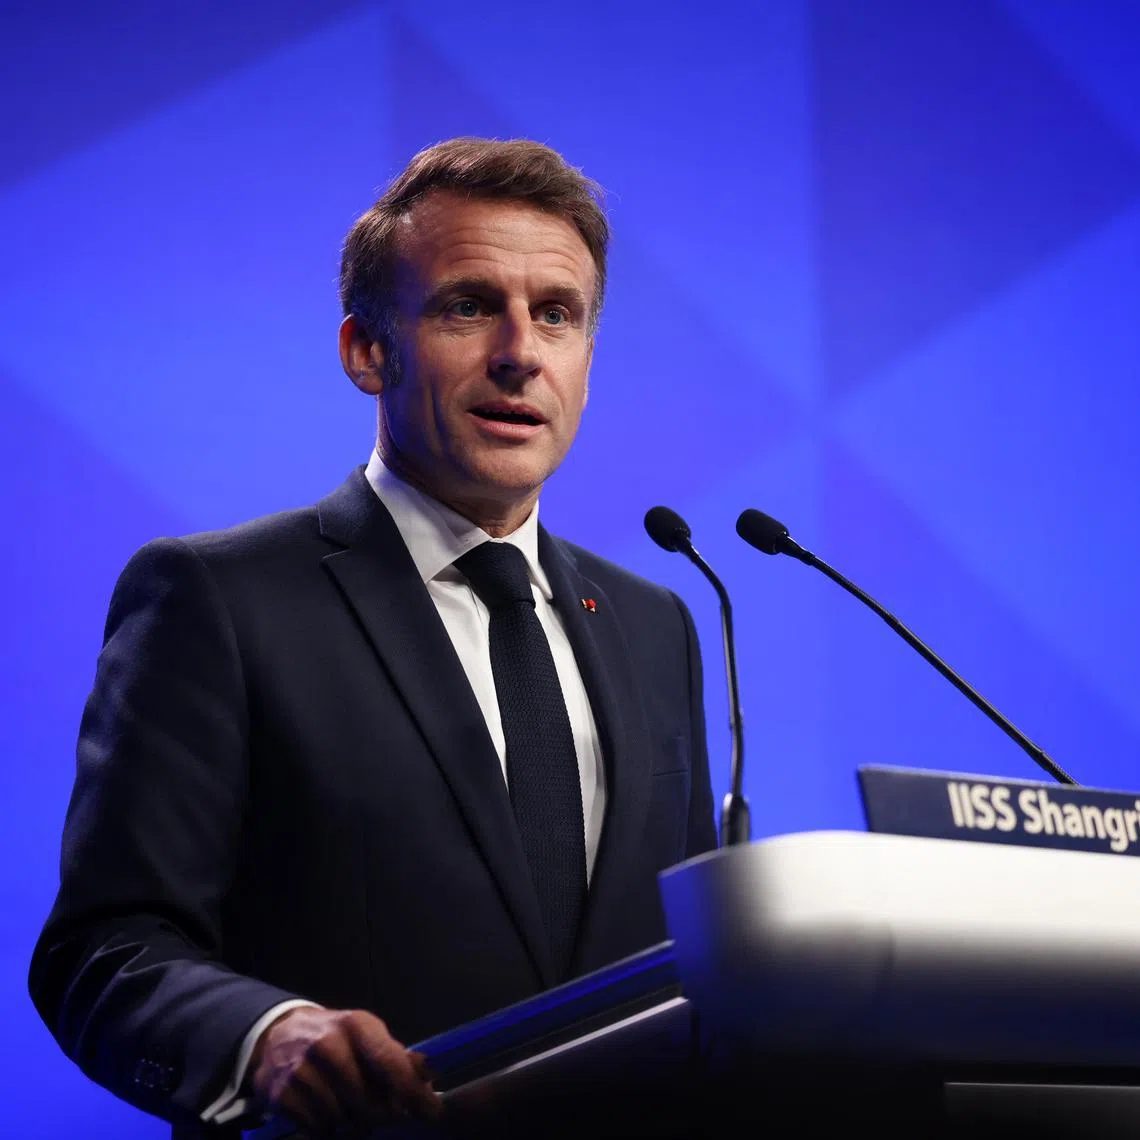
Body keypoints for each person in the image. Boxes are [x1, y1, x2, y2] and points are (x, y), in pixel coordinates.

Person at [29, 137, 716, 1138]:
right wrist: (262, 1038)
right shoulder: (216, 599)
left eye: (556, 314)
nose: (520, 351)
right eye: (468, 306)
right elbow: (104, 950)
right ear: (367, 351)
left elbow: (690, 965)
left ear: (586, 358)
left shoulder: (658, 626)